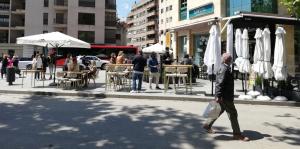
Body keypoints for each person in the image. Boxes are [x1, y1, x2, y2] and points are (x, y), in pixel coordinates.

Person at [203, 53, 250, 141]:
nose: (231, 60)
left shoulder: (223, 67)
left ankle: (207, 124)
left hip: (224, 96)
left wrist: (218, 95)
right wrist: (218, 96)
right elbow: (219, 84)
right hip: (225, 97)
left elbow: (219, 83)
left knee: (219, 110)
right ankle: (237, 134)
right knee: (233, 114)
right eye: (230, 59)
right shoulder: (224, 69)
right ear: (228, 60)